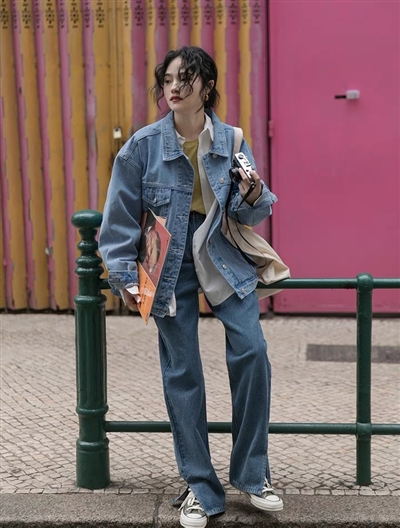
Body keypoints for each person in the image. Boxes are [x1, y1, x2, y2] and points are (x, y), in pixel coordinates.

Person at [98, 46, 283, 528]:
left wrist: (251, 193)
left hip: (220, 253)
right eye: (168, 80)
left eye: (186, 78)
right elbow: (117, 222)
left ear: (207, 86)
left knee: (252, 352)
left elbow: (251, 213)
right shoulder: (141, 147)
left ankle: (253, 474)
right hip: (167, 261)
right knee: (183, 371)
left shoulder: (232, 140)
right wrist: (125, 277)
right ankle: (200, 487)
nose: (174, 88)